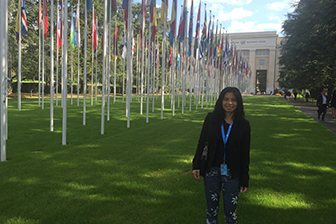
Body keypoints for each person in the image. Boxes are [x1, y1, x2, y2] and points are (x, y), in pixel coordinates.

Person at [192, 87, 251, 224]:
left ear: (238, 103)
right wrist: (196, 165)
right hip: (212, 171)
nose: (229, 103)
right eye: (226, 99)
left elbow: (244, 154)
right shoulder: (211, 119)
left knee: (231, 213)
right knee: (211, 211)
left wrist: (244, 178)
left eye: (233, 100)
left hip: (232, 174)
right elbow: (202, 143)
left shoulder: (244, 125)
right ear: (221, 101)